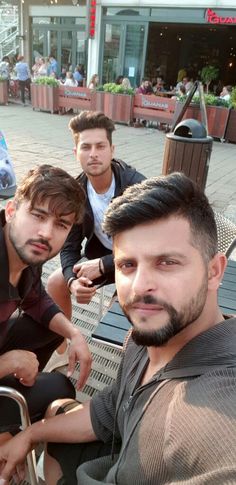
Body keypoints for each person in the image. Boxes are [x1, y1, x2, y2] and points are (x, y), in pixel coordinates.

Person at [1, 172, 236, 485]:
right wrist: (29, 433)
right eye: (128, 265)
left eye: (167, 262)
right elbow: (110, 407)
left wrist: (73, 333)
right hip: (116, 454)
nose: (140, 287)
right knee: (59, 405)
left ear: (214, 271)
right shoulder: (144, 337)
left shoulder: (219, 415)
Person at [45, 111, 145, 369]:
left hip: (139, 264)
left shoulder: (136, 188)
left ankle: (133, 370)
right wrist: (72, 280)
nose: (93, 154)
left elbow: (149, 246)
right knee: (56, 281)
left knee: (125, 312)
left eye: (100, 146)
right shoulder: (76, 192)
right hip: (103, 257)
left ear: (112, 149)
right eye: (85, 147)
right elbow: (68, 246)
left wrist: (103, 265)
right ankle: (61, 348)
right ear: (75, 152)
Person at [0, 164, 91, 444]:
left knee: (54, 326)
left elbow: (36, 299)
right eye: (38, 216)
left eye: (61, 224)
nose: (46, 233)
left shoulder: (25, 252)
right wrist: (9, 362)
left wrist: (74, 334)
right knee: (61, 386)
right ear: (12, 210)